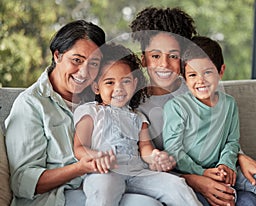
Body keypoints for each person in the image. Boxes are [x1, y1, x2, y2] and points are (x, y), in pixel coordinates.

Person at [130, 6, 256, 206]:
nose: (164, 64)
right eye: (155, 56)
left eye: (174, 56)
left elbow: (224, 137)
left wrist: (241, 158)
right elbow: (143, 167)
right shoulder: (134, 103)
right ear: (143, 59)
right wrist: (197, 181)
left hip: (217, 175)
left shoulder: (200, 88)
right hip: (178, 184)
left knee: (250, 201)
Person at [4, 20, 163, 206]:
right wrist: (80, 168)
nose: (84, 72)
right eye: (77, 60)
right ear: (57, 55)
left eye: (93, 63)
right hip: (56, 197)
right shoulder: (31, 104)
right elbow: (22, 181)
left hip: (103, 184)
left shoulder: (96, 97)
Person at [163, 35, 256, 206]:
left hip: (228, 169)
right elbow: (174, 150)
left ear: (221, 71)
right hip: (193, 175)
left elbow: (231, 141)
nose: (200, 80)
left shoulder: (229, 104)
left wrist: (225, 165)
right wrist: (203, 172)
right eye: (192, 74)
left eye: (208, 72)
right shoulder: (176, 107)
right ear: (184, 77)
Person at [73, 43, 202, 206]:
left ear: (134, 84)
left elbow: (145, 148)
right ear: (96, 87)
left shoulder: (138, 117)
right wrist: (95, 156)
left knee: (176, 184)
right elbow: (79, 147)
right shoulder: (91, 112)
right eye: (110, 82)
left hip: (138, 173)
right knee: (102, 189)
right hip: (106, 172)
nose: (119, 88)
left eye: (125, 81)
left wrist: (155, 156)